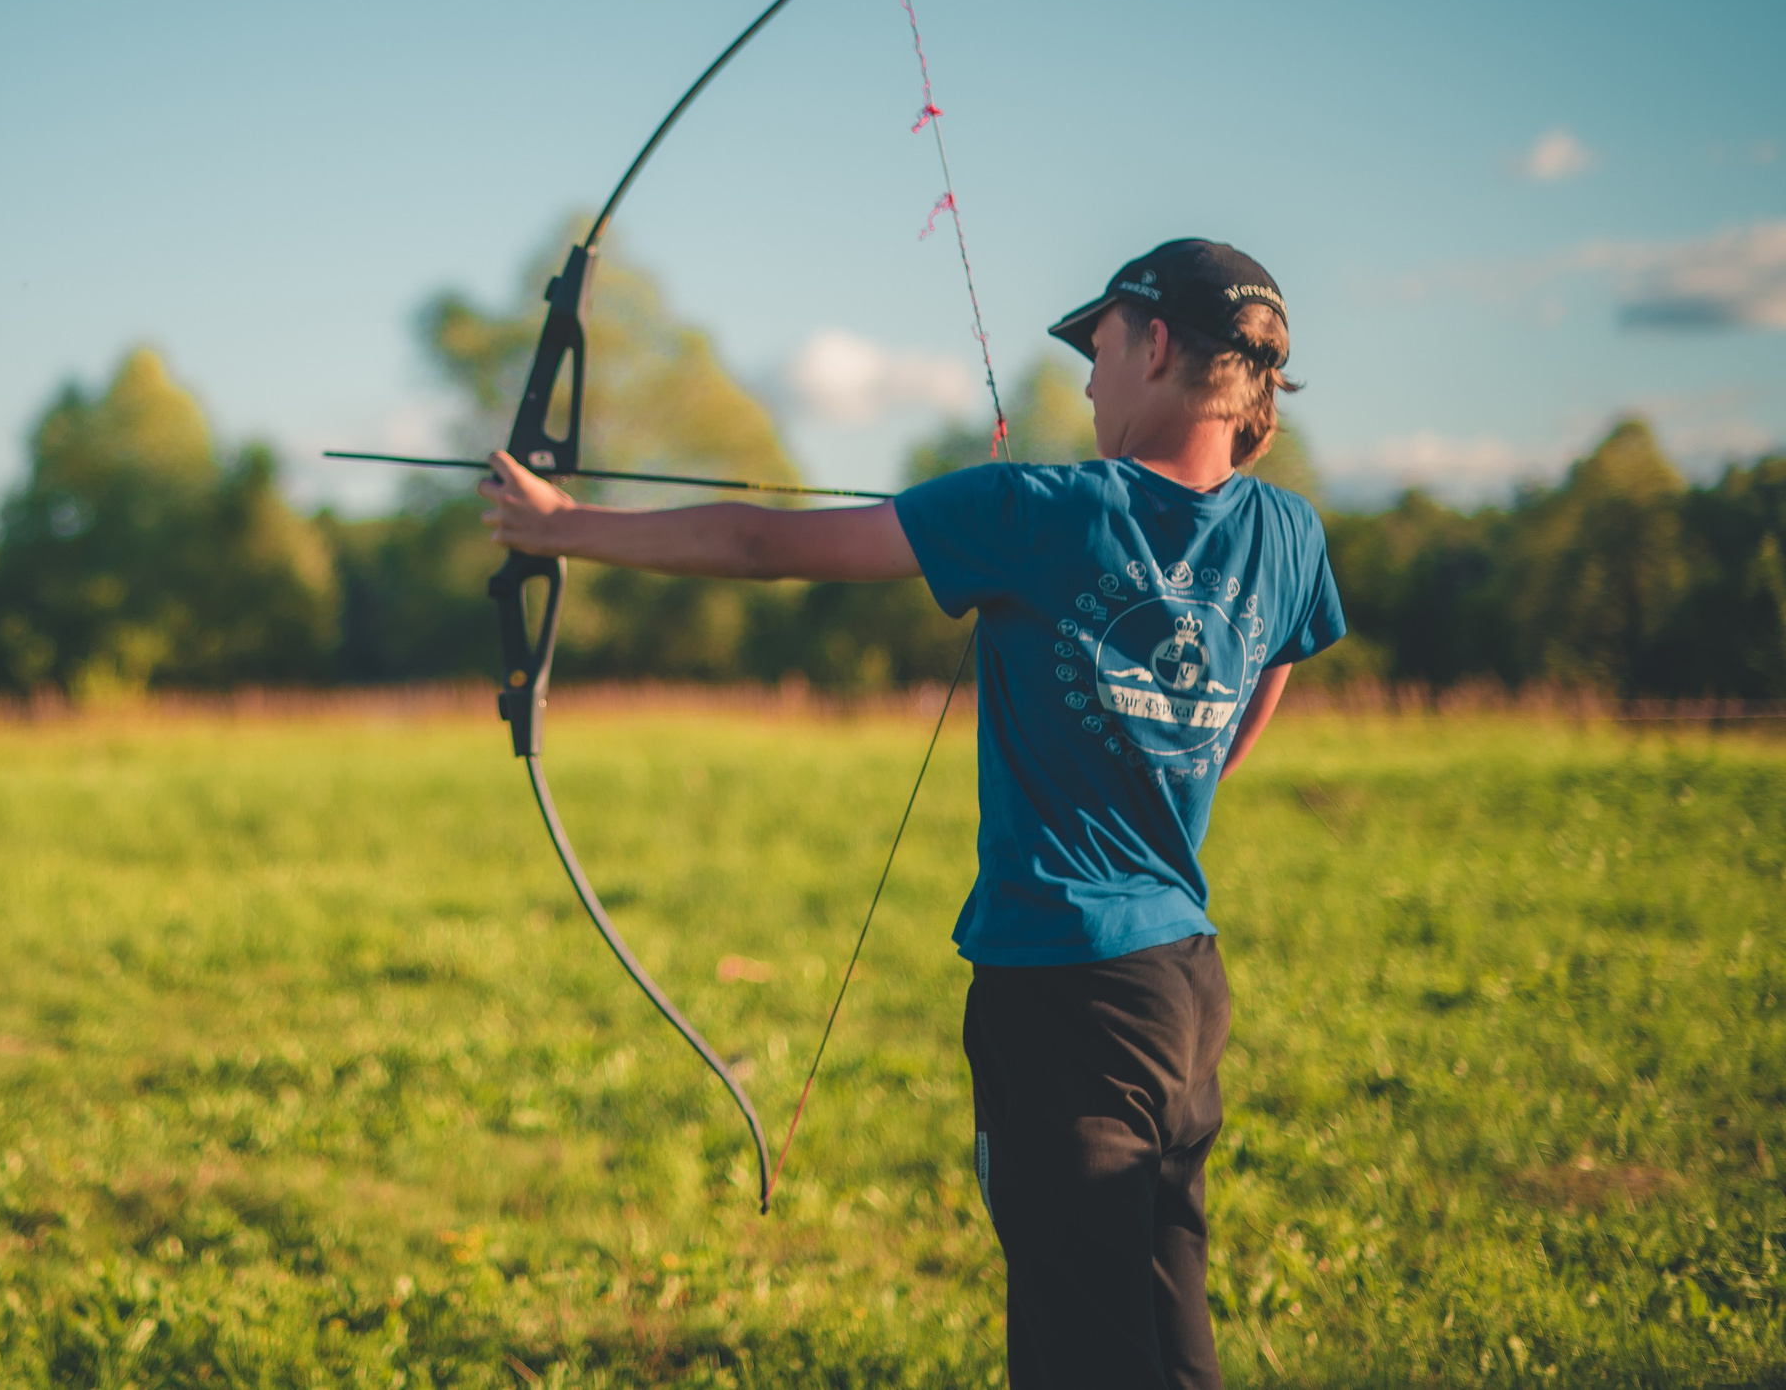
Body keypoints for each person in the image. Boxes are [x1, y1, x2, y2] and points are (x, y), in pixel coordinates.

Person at [478, 237, 1344, 1389]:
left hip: (1060, 993)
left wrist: (560, 526)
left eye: (1098, 347)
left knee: (1080, 1355)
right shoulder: (1288, 535)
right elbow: (1248, 706)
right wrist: (1159, 778)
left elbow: (758, 541)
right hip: (1182, 987)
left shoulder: (1037, 513)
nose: (1088, 379)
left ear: (1154, 342)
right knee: (1168, 1338)